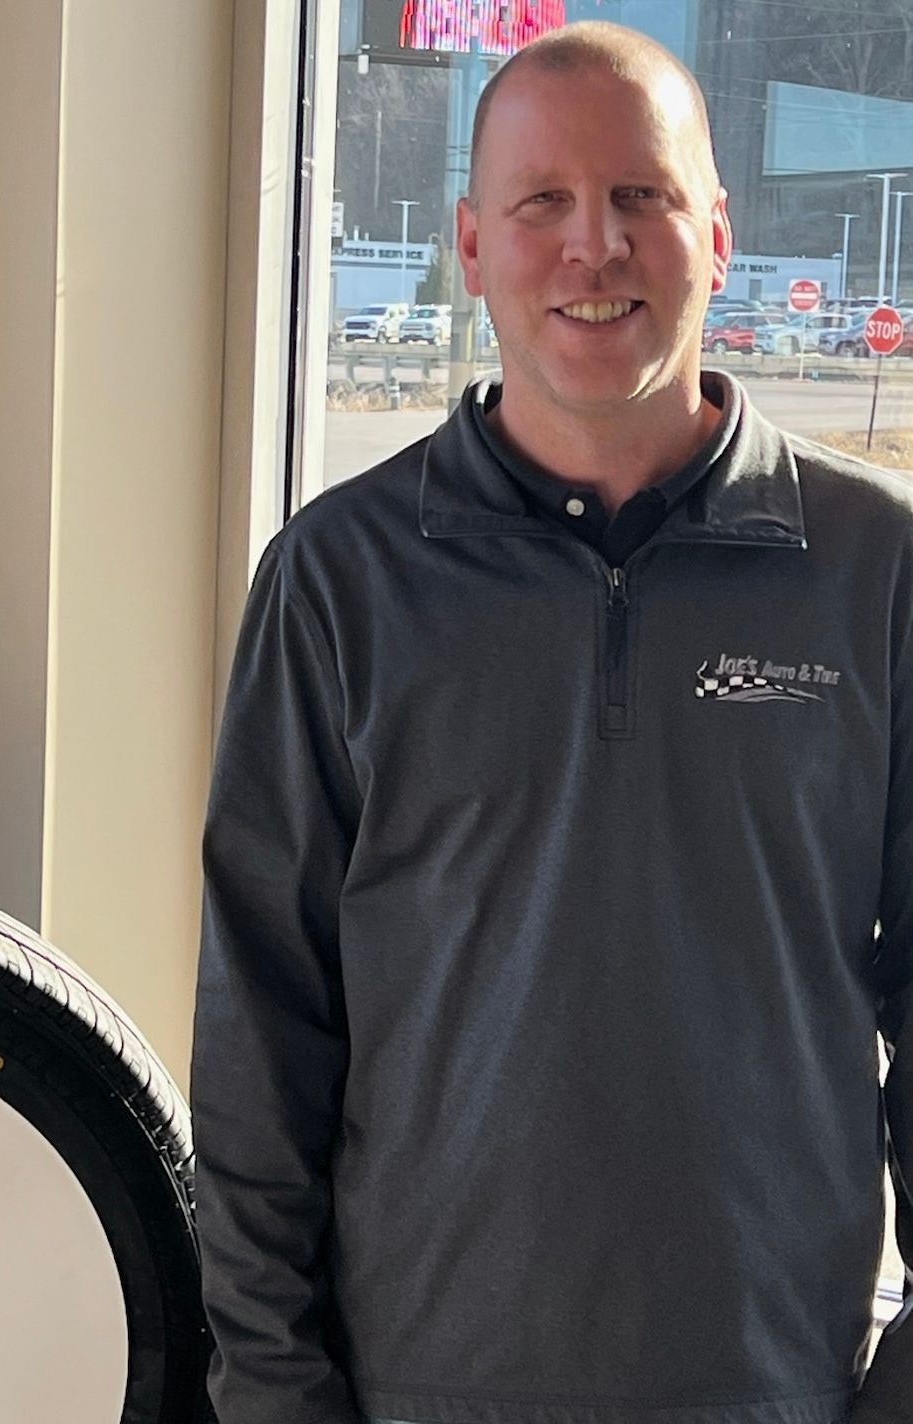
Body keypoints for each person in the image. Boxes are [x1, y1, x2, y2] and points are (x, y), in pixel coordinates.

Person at [191, 20, 913, 1424]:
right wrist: (274, 1390)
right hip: (418, 1385)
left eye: (641, 196)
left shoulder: (874, 571)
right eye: (544, 203)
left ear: (715, 227)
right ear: (471, 244)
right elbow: (262, 1028)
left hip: (780, 1384)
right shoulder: (340, 578)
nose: (596, 246)